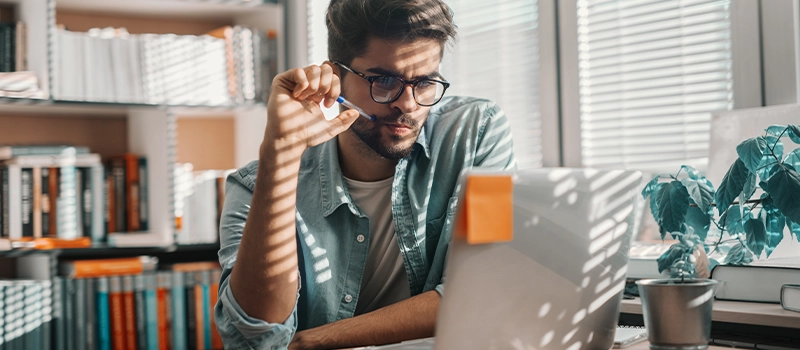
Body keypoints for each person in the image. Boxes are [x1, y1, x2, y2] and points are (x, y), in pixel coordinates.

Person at [215, 0, 517, 348]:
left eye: (425, 82)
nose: (408, 104)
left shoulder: (475, 132)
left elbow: (482, 293)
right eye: (384, 80)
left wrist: (315, 341)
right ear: (335, 77)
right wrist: (279, 153)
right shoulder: (254, 187)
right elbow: (255, 337)